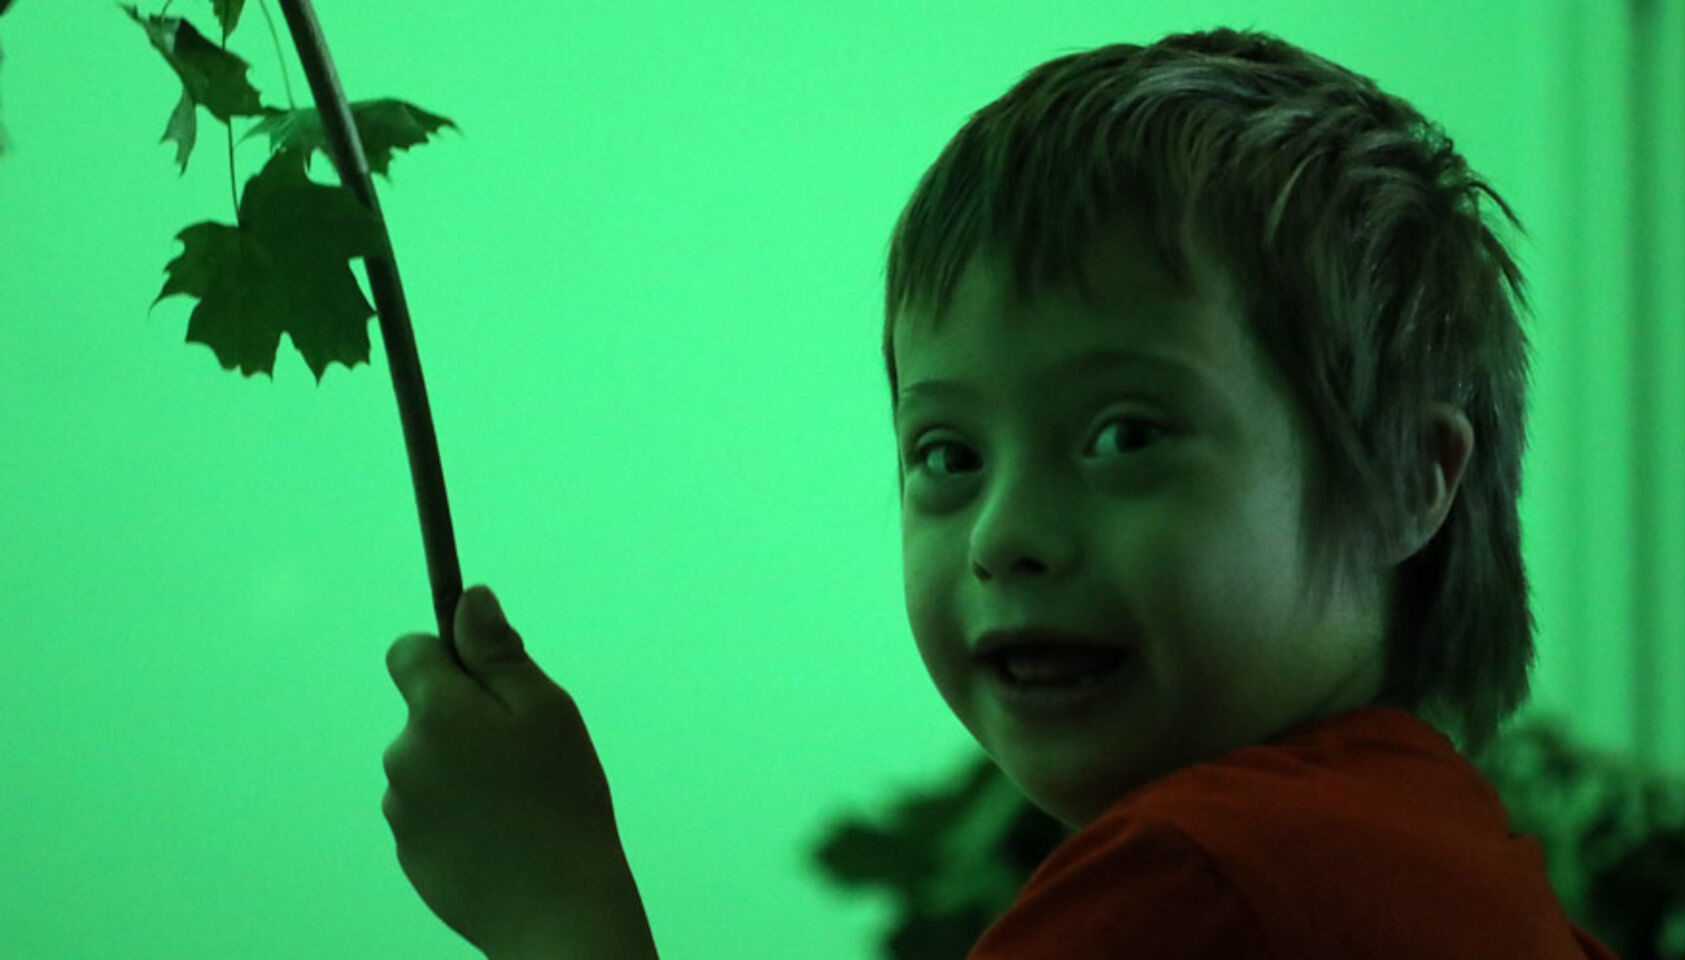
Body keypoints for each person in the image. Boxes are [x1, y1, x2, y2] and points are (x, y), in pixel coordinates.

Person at [383, 25, 1619, 959]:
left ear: (1407, 479)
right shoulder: (1448, 870)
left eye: (1125, 435)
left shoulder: (1196, 885)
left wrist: (558, 908)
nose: (1005, 534)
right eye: (946, 457)